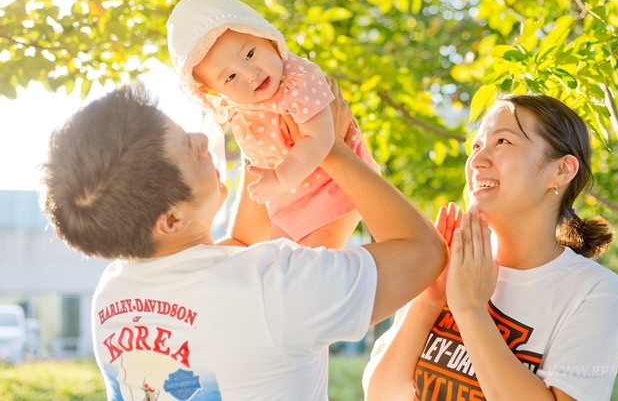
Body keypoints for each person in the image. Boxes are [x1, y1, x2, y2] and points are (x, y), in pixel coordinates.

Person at [40, 81, 447, 400]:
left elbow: (241, 247)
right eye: (189, 149)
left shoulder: (113, 294)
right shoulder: (269, 287)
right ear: (171, 219)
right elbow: (423, 253)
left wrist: (266, 148)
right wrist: (333, 152)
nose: (203, 141)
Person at [362, 94, 618, 400]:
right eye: (477, 145)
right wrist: (428, 300)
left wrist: (470, 310)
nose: (477, 161)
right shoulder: (452, 262)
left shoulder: (593, 292)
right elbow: (382, 394)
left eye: (503, 142)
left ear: (562, 170)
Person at [166, 0, 378, 249]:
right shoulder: (239, 105)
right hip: (288, 193)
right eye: (230, 77)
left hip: (330, 184)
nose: (250, 74)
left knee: (319, 248)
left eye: (250, 54)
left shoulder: (298, 80)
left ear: (264, 36)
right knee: (276, 252)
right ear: (214, 92)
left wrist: (279, 181)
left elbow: (321, 138)